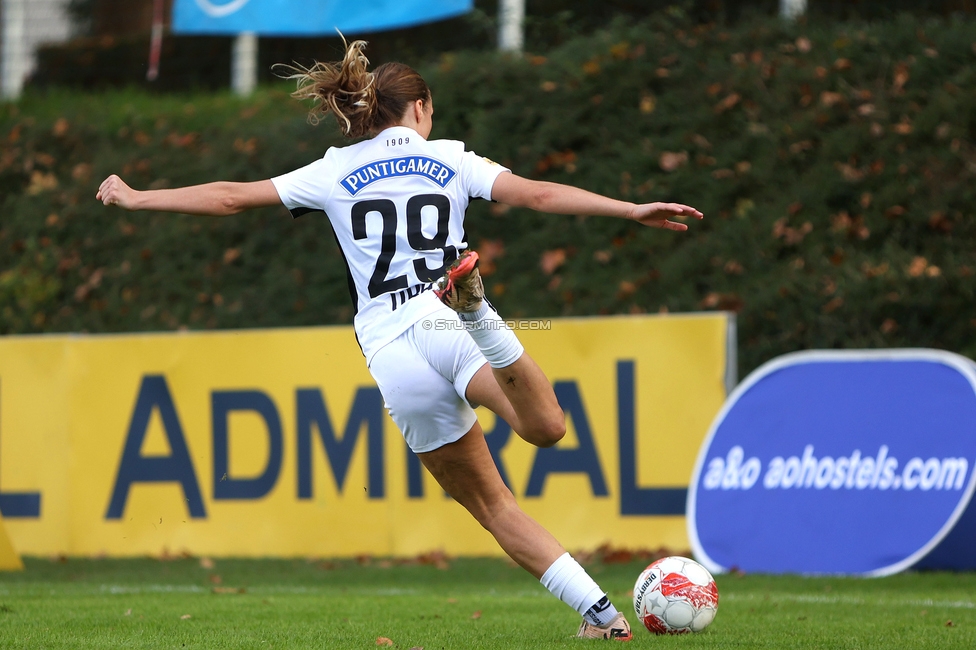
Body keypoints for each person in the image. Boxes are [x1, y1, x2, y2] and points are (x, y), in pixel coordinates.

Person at [97, 39, 703, 641]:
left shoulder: (334, 168)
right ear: (420, 108)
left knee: (493, 507)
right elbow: (539, 194)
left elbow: (231, 196)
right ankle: (478, 311)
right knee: (546, 428)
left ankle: (605, 619)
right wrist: (630, 210)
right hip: (445, 321)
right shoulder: (451, 158)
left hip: (390, 347)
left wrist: (137, 196)